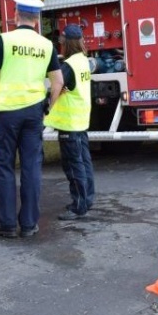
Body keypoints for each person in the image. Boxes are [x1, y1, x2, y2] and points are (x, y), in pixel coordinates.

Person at [0, 0, 63, 239]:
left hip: (6, 113)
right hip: (33, 112)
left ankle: (6, 224)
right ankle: (28, 224)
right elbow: (57, 81)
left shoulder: (4, 41)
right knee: (31, 167)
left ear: (15, 16)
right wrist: (49, 105)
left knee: (4, 166)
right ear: (36, 21)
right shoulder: (47, 45)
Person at [44, 24, 95, 220]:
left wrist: (49, 103)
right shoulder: (83, 60)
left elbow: (57, 85)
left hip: (69, 123)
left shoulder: (68, 65)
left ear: (67, 42)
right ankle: (87, 199)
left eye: (62, 40)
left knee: (73, 166)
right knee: (84, 162)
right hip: (81, 120)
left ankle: (78, 206)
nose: (60, 43)